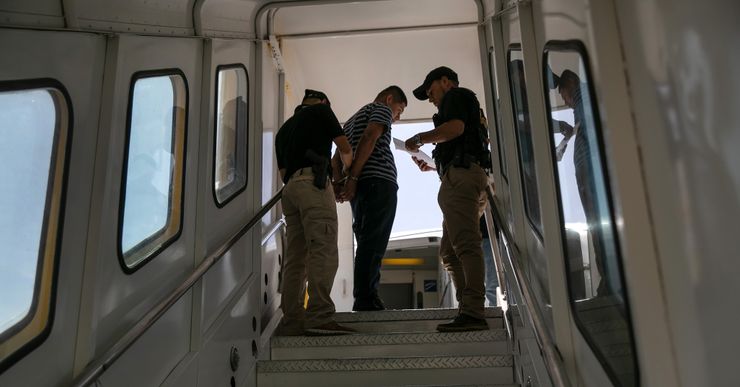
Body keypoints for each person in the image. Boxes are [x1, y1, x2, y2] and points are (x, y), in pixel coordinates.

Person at [404, 67, 490, 332]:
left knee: (463, 246)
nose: (431, 99)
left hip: (461, 178)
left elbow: (454, 128)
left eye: (431, 92)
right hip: (464, 174)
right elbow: (465, 140)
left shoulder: (455, 96)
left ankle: (473, 311)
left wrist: (418, 139)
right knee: (450, 252)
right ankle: (467, 307)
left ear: (445, 82)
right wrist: (433, 166)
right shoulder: (468, 104)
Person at [274, 89, 355, 336]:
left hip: (290, 191)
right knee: (323, 249)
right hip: (313, 184)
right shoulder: (322, 111)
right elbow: (344, 149)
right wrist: (347, 175)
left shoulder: (284, 130)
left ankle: (292, 320)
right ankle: (320, 315)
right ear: (323, 102)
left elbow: (283, 172)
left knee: (296, 258)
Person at [331, 86, 407, 311]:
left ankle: (366, 295)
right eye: (399, 109)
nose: (398, 116)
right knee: (374, 243)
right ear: (390, 98)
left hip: (362, 188)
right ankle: (366, 298)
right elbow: (371, 135)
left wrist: (339, 183)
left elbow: (336, 158)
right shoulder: (381, 109)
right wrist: (353, 177)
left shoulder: (351, 120)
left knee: (366, 242)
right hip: (378, 183)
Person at [551, 69, 609, 296]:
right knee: (596, 226)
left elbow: (590, 127)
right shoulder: (582, 103)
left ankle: (608, 282)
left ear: (570, 84)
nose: (565, 101)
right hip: (589, 174)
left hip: (592, 174)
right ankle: (607, 280)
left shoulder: (584, 96)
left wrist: (566, 140)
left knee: (598, 226)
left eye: (564, 95)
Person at [480, 215, 498, 306]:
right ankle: (496, 307)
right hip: (488, 234)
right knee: (493, 281)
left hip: (487, 234)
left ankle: (496, 307)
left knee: (493, 281)